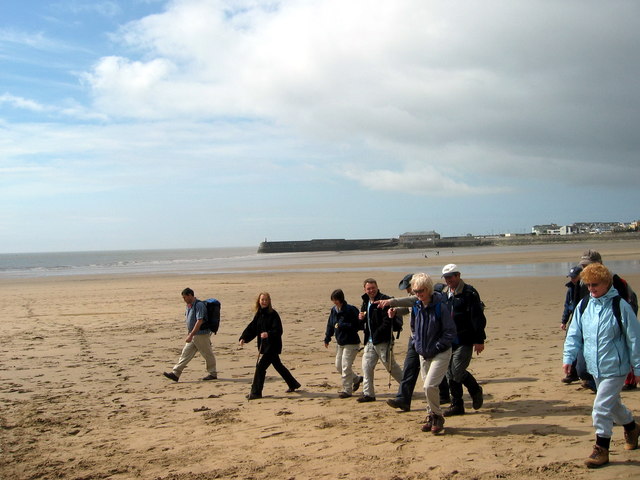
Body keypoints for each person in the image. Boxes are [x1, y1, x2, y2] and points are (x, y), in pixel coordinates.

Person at [563, 263, 640, 468]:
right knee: (612, 405)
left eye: (595, 285)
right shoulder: (585, 305)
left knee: (600, 407)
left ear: (606, 283)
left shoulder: (619, 305)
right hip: (595, 366)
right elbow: (574, 333)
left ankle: (601, 448)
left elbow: (634, 338)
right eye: (588, 285)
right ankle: (632, 427)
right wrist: (568, 358)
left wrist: (638, 367)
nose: (591, 289)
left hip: (616, 367)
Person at [579, 249, 639, 391]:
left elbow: (626, 307)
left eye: (589, 265)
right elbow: (581, 305)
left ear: (600, 264)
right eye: (583, 265)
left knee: (624, 348)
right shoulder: (584, 281)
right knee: (583, 366)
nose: (586, 268)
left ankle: (627, 380)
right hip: (593, 325)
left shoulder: (615, 281)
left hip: (617, 323)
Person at [440, 264, 486, 417]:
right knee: (449, 373)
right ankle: (457, 405)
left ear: (458, 275)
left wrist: (479, 340)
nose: (448, 280)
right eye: (446, 278)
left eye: (451, 277)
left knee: (457, 371)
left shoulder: (469, 293)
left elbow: (478, 318)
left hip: (465, 339)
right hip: (448, 340)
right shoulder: (444, 293)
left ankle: (475, 390)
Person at [239, 292, 301, 400]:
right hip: (265, 347)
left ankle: (256, 392)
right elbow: (252, 328)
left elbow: (279, 330)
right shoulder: (259, 314)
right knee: (278, 366)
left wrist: (268, 334)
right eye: (262, 300)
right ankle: (293, 384)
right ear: (259, 301)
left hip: (273, 346)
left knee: (260, 367)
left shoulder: (273, 314)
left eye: (266, 300)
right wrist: (243, 338)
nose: (264, 302)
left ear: (269, 301)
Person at [357, 278, 403, 403]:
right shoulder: (365, 301)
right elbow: (364, 323)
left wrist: (377, 334)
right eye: (368, 289)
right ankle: (369, 394)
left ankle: (406, 387)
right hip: (370, 341)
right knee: (366, 366)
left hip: (383, 341)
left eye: (373, 288)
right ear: (365, 290)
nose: (371, 290)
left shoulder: (384, 300)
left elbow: (387, 322)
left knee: (391, 367)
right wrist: (361, 318)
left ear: (377, 287)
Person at [163, 287, 218, 382]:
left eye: (185, 297)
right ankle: (176, 373)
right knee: (185, 354)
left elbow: (199, 321)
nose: (184, 299)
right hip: (194, 335)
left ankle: (212, 373)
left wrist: (191, 334)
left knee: (207, 354)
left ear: (190, 295)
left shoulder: (199, 305)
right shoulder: (189, 305)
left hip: (201, 334)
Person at [323, 289, 363, 398]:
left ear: (341, 299)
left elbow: (358, 325)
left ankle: (347, 390)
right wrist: (327, 338)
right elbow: (330, 324)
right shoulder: (334, 310)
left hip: (351, 342)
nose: (334, 302)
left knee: (346, 366)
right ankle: (357, 379)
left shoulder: (351, 310)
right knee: (339, 366)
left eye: (335, 300)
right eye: (333, 300)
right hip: (340, 343)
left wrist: (342, 325)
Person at [560, 266, 583, 384]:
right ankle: (572, 373)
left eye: (574, 277)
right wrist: (564, 321)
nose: (573, 279)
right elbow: (567, 306)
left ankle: (583, 374)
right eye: (571, 277)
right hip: (573, 320)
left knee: (581, 347)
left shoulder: (586, 287)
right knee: (570, 344)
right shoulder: (570, 289)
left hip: (584, 321)